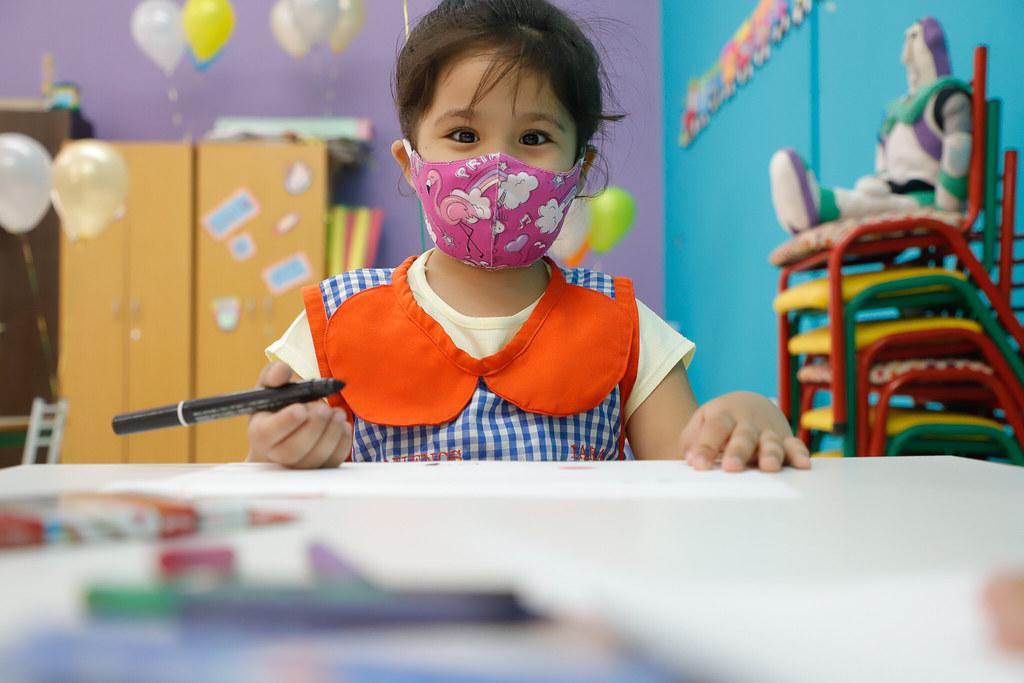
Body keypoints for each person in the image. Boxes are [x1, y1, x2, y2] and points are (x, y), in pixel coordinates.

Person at [248, 0, 811, 471]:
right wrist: (278, 451)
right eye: (464, 134)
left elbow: (696, 465)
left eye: (534, 136)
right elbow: (275, 478)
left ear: (580, 170)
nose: (498, 165)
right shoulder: (336, 323)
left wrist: (748, 417)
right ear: (410, 164)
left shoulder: (624, 326)